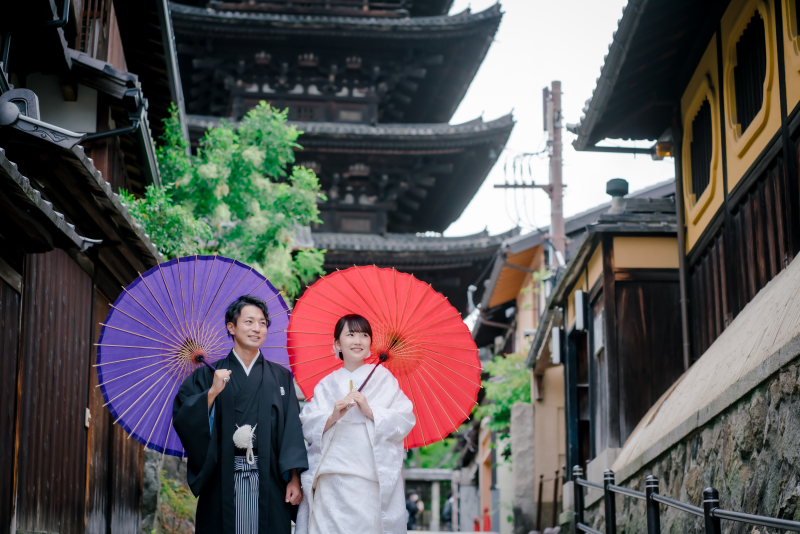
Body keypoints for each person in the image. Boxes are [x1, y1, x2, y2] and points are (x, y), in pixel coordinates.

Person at [172, 295, 308, 534]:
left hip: (270, 478)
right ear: (231, 327)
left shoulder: (281, 377)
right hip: (222, 478)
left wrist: (294, 477)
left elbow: (291, 431)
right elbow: (185, 418)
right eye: (249, 321)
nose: (257, 328)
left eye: (262, 323)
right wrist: (212, 393)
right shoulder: (207, 376)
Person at [295, 314, 415, 534]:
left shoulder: (383, 379)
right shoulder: (327, 384)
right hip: (331, 478)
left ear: (370, 342)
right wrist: (332, 415)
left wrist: (371, 411)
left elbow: (405, 418)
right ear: (337, 343)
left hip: (368, 479)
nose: (358, 341)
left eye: (364, 335)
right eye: (350, 335)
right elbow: (307, 424)